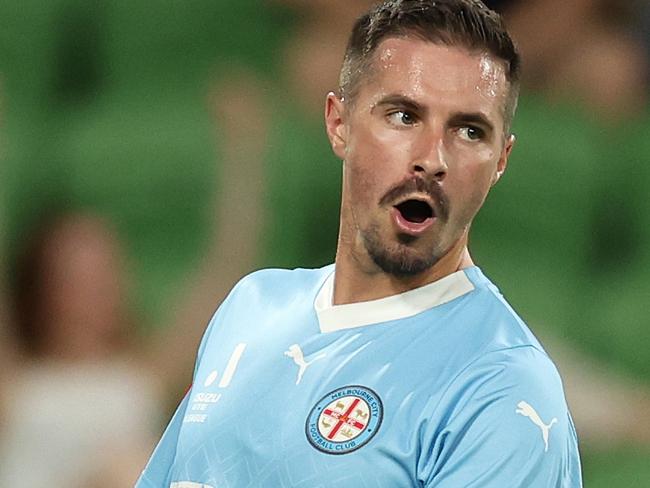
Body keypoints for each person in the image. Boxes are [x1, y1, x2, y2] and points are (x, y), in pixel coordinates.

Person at [137, 1, 582, 486]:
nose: (432, 159)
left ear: (501, 161)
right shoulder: (249, 309)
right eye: (404, 116)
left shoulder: (499, 388)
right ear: (339, 123)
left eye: (469, 131)